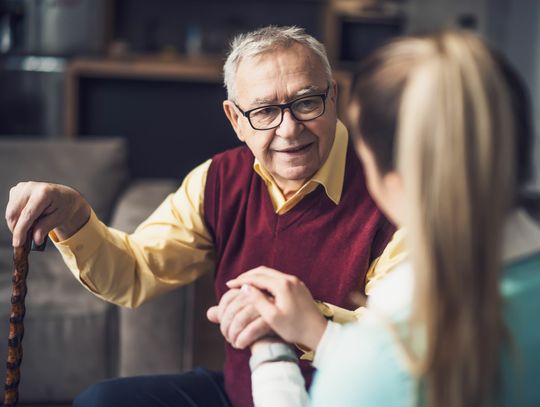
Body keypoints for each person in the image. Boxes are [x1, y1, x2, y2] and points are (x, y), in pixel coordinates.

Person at [5, 26, 395, 407]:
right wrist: (75, 217)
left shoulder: (392, 189)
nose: (289, 129)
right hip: (242, 392)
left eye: (307, 102)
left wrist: (307, 319)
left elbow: (402, 353)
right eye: (263, 111)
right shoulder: (218, 179)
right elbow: (136, 271)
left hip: (346, 397)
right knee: (101, 400)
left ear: (333, 97)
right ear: (235, 119)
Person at [226, 30, 540, 406]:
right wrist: (323, 336)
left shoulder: (385, 357)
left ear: (391, 176)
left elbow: (379, 375)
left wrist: (270, 353)